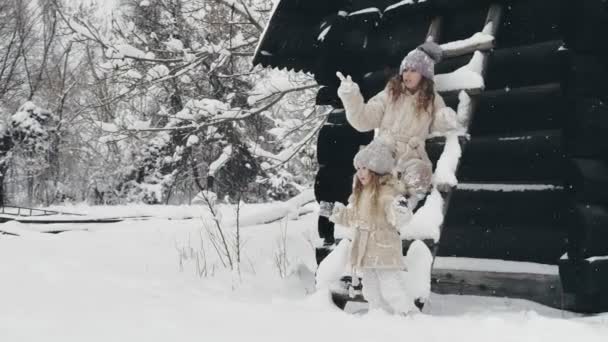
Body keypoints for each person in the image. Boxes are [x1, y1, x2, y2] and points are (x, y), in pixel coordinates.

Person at [336, 41, 460, 209]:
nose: (407, 74)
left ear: (424, 74)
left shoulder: (432, 99)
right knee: (368, 165)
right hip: (385, 148)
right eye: (405, 70)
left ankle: (403, 205)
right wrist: (351, 97)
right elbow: (363, 120)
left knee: (421, 173)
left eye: (413, 70)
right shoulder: (390, 93)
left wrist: (445, 118)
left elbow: (438, 121)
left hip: (411, 153)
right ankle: (363, 202)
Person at [328, 138, 419, 315]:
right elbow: (353, 217)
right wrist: (335, 212)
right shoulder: (361, 193)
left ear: (376, 169)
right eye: (358, 169)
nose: (360, 173)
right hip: (366, 250)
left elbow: (397, 214)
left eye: (364, 168)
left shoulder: (386, 191)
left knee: (390, 286)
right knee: (370, 289)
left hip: (383, 247)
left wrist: (399, 210)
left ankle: (409, 316)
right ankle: (378, 317)